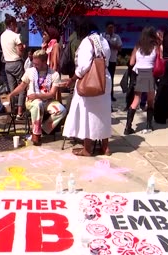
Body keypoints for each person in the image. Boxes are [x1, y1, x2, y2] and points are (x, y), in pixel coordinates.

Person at [63, 20, 112, 157]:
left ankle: (87, 149)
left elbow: (84, 66)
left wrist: (73, 78)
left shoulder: (87, 42)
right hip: (104, 79)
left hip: (91, 81)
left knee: (87, 115)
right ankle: (105, 147)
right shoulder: (103, 41)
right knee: (103, 114)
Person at [8, 50, 66, 146]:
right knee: (37, 103)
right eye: (33, 63)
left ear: (44, 62)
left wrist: (38, 95)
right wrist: (11, 94)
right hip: (32, 101)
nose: (34, 65)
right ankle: (36, 134)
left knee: (62, 110)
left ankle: (42, 129)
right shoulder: (30, 71)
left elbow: (52, 94)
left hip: (47, 100)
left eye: (37, 64)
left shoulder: (54, 74)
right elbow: (22, 86)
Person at [125, 26, 160, 135]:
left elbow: (131, 63)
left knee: (136, 100)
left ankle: (128, 127)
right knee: (150, 100)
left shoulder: (138, 46)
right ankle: (149, 125)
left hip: (138, 73)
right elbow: (160, 59)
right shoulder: (155, 46)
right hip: (149, 74)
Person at [0, 14, 25, 119]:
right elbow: (20, 52)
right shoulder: (16, 36)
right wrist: (23, 48)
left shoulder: (2, 35)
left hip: (7, 64)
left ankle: (12, 110)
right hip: (16, 62)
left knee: (12, 89)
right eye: (15, 23)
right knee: (22, 86)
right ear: (11, 24)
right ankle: (20, 112)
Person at [102, 21, 122, 102]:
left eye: (112, 28)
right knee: (103, 78)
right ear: (106, 28)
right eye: (109, 28)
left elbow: (120, 48)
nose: (111, 29)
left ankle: (111, 95)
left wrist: (111, 45)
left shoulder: (116, 37)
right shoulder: (102, 36)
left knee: (111, 78)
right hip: (103, 61)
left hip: (112, 60)